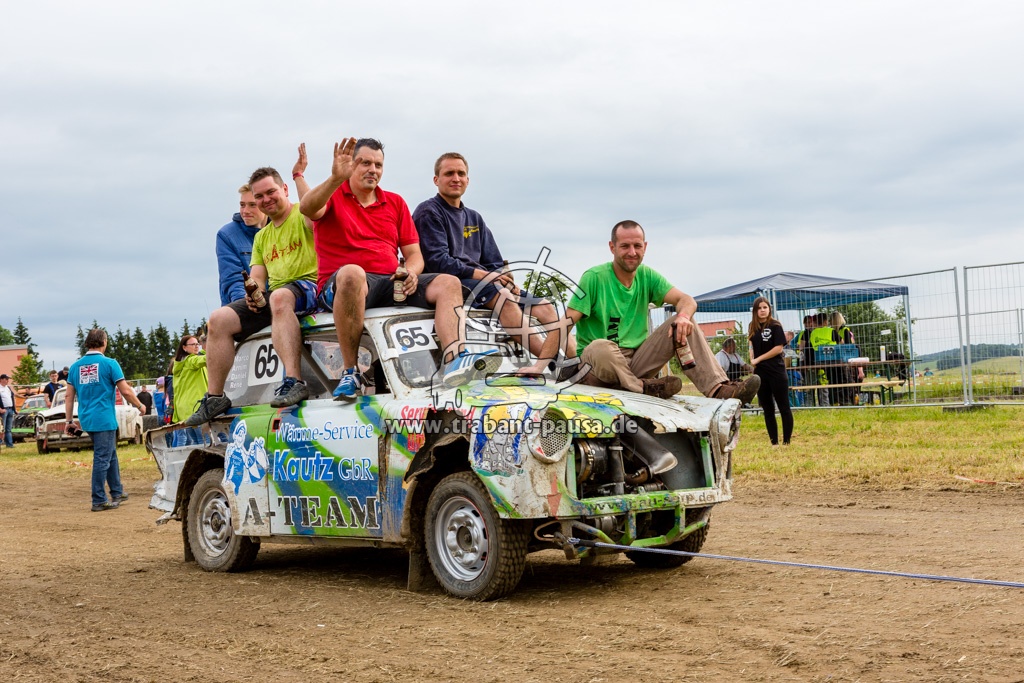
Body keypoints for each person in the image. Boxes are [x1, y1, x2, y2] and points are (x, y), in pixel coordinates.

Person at [300, 137, 491, 400]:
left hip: (390, 282)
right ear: (351, 165)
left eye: (378, 165)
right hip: (344, 285)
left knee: (449, 282)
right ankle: (350, 372)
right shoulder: (332, 195)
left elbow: (414, 254)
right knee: (353, 272)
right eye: (365, 163)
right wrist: (335, 179)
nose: (372, 170)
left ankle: (455, 360)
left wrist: (411, 271)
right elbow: (307, 207)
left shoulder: (395, 202)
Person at [524, 221, 760, 402]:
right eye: (625, 246)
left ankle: (719, 389)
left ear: (645, 247)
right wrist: (538, 366)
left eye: (637, 246)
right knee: (600, 346)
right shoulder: (594, 278)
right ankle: (641, 387)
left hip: (636, 362)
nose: (632, 252)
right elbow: (565, 323)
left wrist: (683, 317)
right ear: (612, 247)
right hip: (598, 366)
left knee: (682, 320)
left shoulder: (647, 276)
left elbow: (686, 300)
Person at [186, 166, 320, 425]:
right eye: (259, 196)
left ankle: (294, 381)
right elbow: (257, 276)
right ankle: (215, 397)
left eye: (271, 192)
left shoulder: (302, 215)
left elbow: (314, 210)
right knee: (218, 319)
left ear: (285, 189)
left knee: (278, 297)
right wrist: (253, 293)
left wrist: (299, 176)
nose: (265, 200)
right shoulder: (262, 237)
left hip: (311, 286)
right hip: (278, 296)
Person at [413, 152, 572, 358]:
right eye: (449, 173)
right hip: (451, 283)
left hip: (484, 284)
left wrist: (504, 280)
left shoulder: (474, 217)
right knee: (504, 297)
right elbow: (437, 262)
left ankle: (576, 364)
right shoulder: (429, 212)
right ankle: (550, 361)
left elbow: (494, 262)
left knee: (545, 307)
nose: (456, 178)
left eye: (461, 173)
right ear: (436, 180)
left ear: (468, 180)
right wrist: (488, 277)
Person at [64, 328, 147, 512]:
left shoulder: (75, 367)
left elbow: (68, 396)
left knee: (110, 454)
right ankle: (99, 499)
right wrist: (140, 405)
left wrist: (69, 420)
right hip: (104, 418)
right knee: (102, 457)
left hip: (87, 418)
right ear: (104, 342)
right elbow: (126, 391)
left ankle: (117, 491)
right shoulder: (110, 363)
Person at [748, 296, 793, 445]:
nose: (762, 310)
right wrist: (752, 357)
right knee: (767, 409)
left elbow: (778, 348)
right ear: (755, 311)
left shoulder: (775, 326)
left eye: (765, 307)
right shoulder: (752, 326)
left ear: (769, 309)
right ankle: (774, 442)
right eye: (759, 308)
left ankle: (786, 442)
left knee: (784, 407)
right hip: (761, 373)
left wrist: (759, 359)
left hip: (776, 371)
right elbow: (751, 343)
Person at [216, 184, 269, 306]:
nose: (245, 211)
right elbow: (233, 281)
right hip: (244, 305)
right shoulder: (226, 235)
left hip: (278, 302)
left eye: (252, 205)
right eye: (242, 205)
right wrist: (248, 306)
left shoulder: (278, 231)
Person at [172, 335, 208, 444]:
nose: (196, 346)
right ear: (184, 347)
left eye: (197, 344)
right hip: (196, 408)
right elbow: (206, 359)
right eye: (193, 344)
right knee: (205, 442)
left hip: (185, 411)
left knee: (196, 442)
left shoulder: (181, 363)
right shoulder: (191, 361)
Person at [0, 374, 18, 448]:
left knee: (8, 429)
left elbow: (12, 397)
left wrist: (15, 409)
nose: (7, 380)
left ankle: (9, 444)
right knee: (2, 429)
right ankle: (1, 442)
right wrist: (0, 409)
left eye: (8, 379)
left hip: (10, 409)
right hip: (3, 410)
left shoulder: (8, 388)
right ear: (1, 379)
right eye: (6, 379)